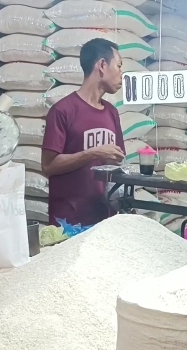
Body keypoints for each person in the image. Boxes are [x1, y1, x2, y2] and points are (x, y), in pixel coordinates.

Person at [41, 38, 126, 227]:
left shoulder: (112, 113)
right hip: (69, 223)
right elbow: (48, 166)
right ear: (102, 65)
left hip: (104, 220)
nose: (122, 74)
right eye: (119, 66)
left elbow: (118, 159)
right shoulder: (63, 110)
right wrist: (93, 153)